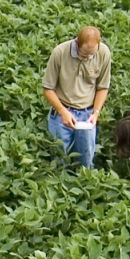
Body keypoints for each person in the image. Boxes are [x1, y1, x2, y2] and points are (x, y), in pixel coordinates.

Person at [42, 26, 112, 169]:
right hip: (62, 113)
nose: (87, 58)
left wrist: (96, 113)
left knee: (86, 162)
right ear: (77, 43)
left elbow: (103, 87)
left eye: (91, 55)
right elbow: (48, 88)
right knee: (59, 160)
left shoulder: (103, 52)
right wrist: (62, 111)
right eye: (83, 54)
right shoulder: (60, 52)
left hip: (87, 115)